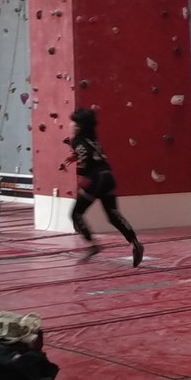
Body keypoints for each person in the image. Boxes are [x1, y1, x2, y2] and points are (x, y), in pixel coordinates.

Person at [62, 108, 144, 267]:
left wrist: (81, 175)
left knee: (76, 213)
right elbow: (91, 154)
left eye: (72, 122)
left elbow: (84, 154)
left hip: (96, 179)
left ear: (78, 126)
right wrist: (75, 156)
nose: (70, 124)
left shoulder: (77, 139)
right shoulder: (92, 138)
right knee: (112, 214)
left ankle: (92, 245)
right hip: (107, 176)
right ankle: (134, 243)